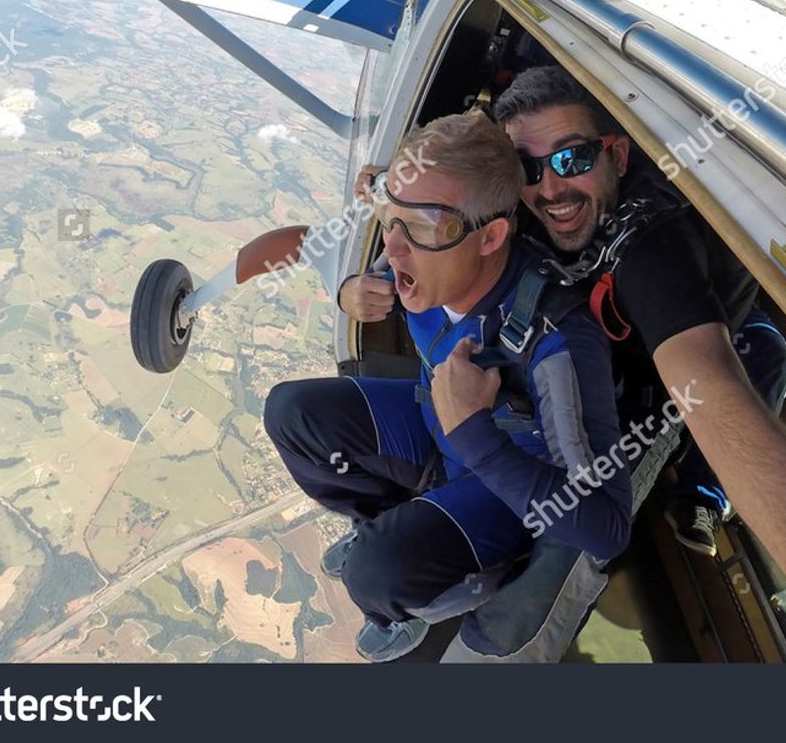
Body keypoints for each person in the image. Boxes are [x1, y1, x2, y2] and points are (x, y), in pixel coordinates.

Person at [488, 65, 786, 663]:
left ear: (618, 158)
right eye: (529, 168)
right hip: (610, 352)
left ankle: (700, 493)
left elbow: (713, 386)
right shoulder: (526, 201)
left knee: (759, 362)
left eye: (573, 159)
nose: (550, 188)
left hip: (692, 343)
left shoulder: (650, 245)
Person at [264, 110, 630, 662]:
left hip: (505, 482)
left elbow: (605, 528)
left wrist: (477, 436)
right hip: (439, 427)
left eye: (424, 226)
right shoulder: (425, 255)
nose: (394, 248)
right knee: (291, 411)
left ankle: (418, 603)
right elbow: (405, 233)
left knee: (375, 575)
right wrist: (349, 290)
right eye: (392, 219)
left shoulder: (557, 342)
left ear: (491, 238)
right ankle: (387, 522)